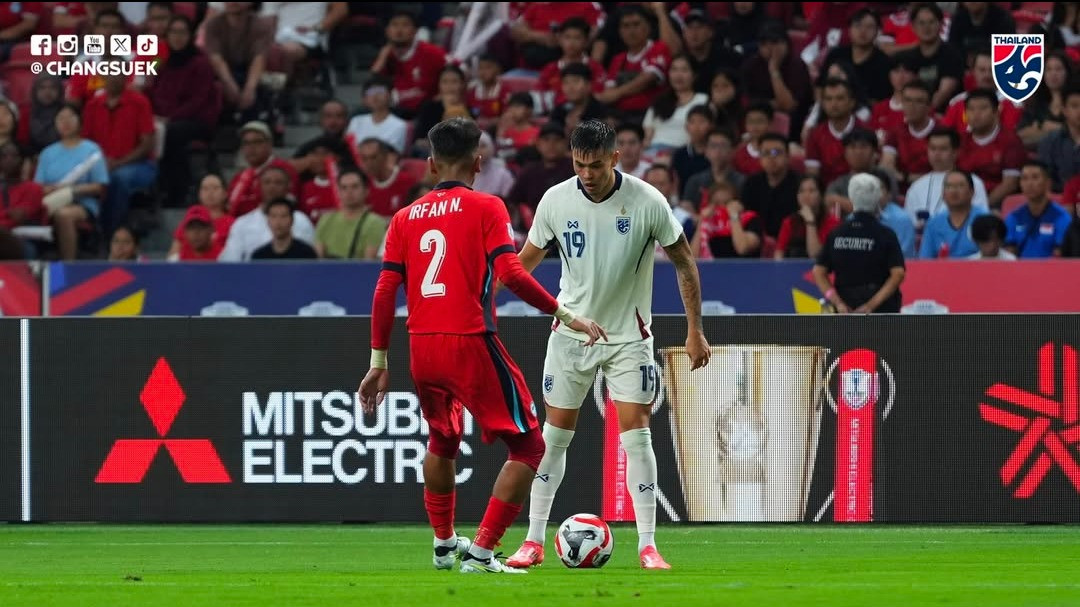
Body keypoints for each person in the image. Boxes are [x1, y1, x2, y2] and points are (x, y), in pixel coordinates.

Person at [358, 117, 605, 575]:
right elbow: (511, 273)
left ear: (431, 165)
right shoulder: (487, 205)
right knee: (530, 445)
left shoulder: (402, 217)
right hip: (469, 340)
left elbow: (384, 291)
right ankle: (482, 551)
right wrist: (567, 314)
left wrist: (378, 360)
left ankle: (442, 542)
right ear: (478, 162)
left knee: (442, 438)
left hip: (421, 347)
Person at [506, 120, 710, 571]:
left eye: (595, 165)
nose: (587, 173)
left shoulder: (647, 201)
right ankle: (533, 541)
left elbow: (684, 262)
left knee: (636, 438)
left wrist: (695, 329)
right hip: (572, 336)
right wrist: (492, 289)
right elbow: (523, 267)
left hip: (628, 338)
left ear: (615, 158)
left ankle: (648, 546)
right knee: (553, 438)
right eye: (579, 164)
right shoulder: (556, 201)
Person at [813, 173, 906, 314]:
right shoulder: (886, 234)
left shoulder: (836, 234)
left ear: (851, 197)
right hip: (881, 313)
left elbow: (818, 272)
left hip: (845, 310)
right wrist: (870, 306)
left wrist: (838, 303)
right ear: (878, 197)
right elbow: (898, 273)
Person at [314, 168, 388, 259]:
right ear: (338, 192)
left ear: (366, 191)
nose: (349, 192)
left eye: (355, 186)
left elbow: (369, 264)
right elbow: (318, 260)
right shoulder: (326, 220)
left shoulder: (375, 223)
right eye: (344, 187)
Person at [1004, 161, 1073, 258]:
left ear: (1048, 183)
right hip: (1018, 271)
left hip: (1051, 271)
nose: (1029, 184)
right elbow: (1009, 254)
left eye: (1035, 177)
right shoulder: (1013, 217)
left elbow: (1060, 255)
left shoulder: (1062, 217)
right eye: (1024, 178)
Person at [918, 170, 989, 259]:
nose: (954, 191)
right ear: (943, 194)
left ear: (972, 192)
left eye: (960, 186)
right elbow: (925, 260)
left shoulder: (985, 219)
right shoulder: (933, 223)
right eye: (949, 186)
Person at [251, 198, 318, 259]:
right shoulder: (259, 256)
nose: (278, 222)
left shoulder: (306, 253)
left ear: (292, 220)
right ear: (268, 221)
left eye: (283, 216)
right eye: (274, 216)